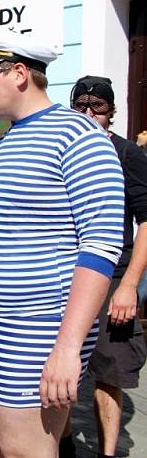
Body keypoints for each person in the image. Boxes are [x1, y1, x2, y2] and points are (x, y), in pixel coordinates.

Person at [0, 29, 124, 457]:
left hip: (34, 328)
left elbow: (101, 246)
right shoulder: (8, 140)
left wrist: (67, 348)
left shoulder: (79, 135)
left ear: (18, 73)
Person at [60, 76, 147, 458]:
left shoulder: (128, 154)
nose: (90, 112)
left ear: (112, 112)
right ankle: (61, 444)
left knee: (109, 372)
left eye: (98, 106)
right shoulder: (62, 150)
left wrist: (129, 285)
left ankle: (106, 452)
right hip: (63, 271)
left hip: (113, 274)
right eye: (81, 105)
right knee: (56, 360)